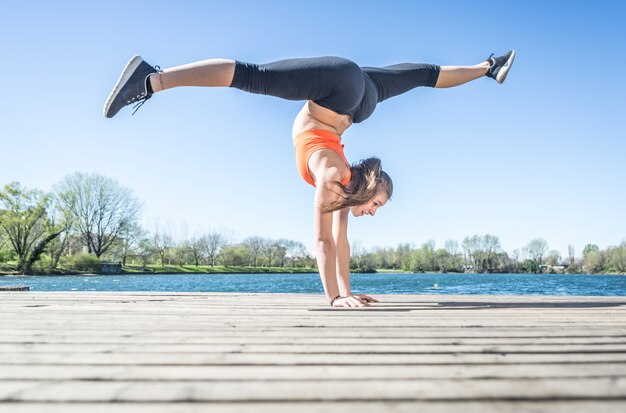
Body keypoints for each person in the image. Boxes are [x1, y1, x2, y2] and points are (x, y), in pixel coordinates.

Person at [104, 51, 516, 308]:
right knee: (252, 75)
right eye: (376, 205)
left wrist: (348, 294)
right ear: (370, 190)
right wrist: (335, 298)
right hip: (342, 87)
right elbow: (322, 241)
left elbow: (340, 242)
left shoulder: (344, 182)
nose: (371, 213)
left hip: (360, 97)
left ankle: (487, 67)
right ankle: (150, 80)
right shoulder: (336, 175)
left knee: (426, 74)